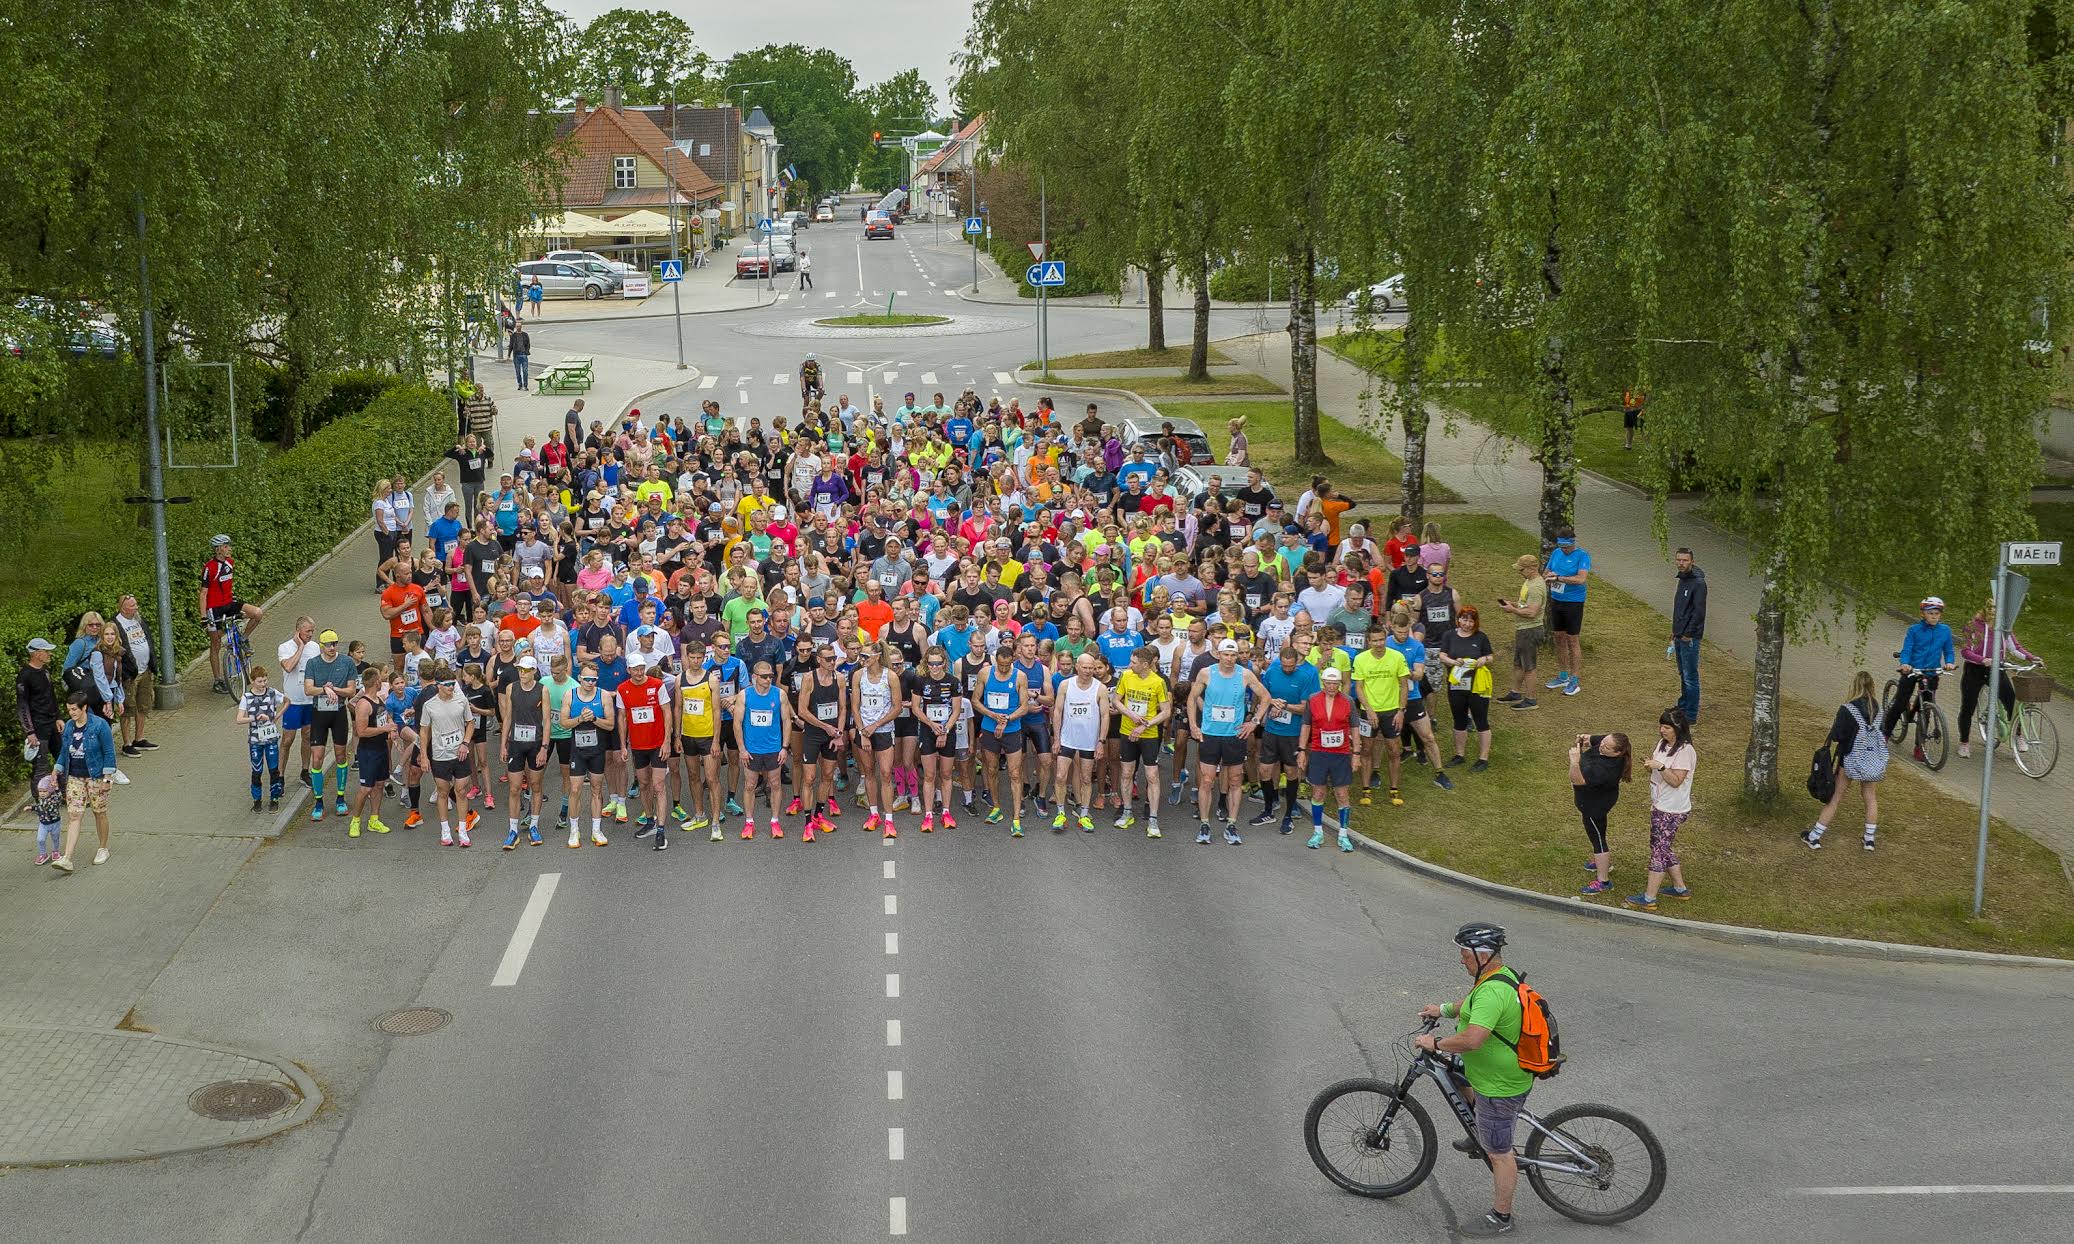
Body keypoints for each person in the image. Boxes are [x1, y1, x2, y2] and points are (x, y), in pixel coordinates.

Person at [1413, 922, 1534, 1238]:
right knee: (1454, 1070)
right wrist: (1440, 1009)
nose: (1461, 959)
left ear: (1483, 955)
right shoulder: (1495, 977)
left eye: (1465, 954)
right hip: (1493, 1074)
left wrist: (1435, 1044)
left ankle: (1502, 1217)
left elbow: (1473, 1038)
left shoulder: (1492, 991)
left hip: (1499, 1085)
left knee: (1499, 1153)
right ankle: (1480, 1127)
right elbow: (1470, 1008)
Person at [1190, 638, 1270, 845]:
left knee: (1235, 780)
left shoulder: (1245, 674)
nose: (1229, 659)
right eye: (1226, 654)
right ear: (1218, 654)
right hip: (1210, 734)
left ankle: (1231, 824)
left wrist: (1253, 722)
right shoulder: (1207, 672)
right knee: (1207, 780)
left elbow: (1266, 697)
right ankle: (1205, 824)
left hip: (1234, 735)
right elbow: (1192, 698)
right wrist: (1193, 726)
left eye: (1233, 655)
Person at [1804, 671, 1886, 852]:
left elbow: (1838, 735)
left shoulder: (1848, 709)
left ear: (1854, 686)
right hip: (1871, 761)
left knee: (1836, 797)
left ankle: (1815, 836)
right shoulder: (1878, 709)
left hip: (1849, 760)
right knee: (1870, 798)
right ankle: (1869, 839)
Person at [1627, 709, 1695, 910]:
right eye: (1661, 726)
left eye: (1666, 727)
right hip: (1660, 804)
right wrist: (1651, 765)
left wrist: (1661, 767)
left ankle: (1649, 898)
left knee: (1658, 850)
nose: (1661, 730)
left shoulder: (1686, 751)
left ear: (1678, 728)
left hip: (1672, 809)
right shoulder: (1663, 744)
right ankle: (1680, 888)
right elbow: (1658, 768)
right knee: (1660, 845)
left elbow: (1676, 781)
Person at [1252, 644, 1319, 833]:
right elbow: (1264, 696)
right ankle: (1268, 809)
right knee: (1264, 769)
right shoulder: (1272, 673)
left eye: (1291, 666)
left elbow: (1306, 708)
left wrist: (1285, 706)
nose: (1287, 669)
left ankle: (1289, 814)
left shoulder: (1304, 677)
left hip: (1293, 733)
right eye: (1284, 666)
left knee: (1291, 772)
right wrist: (1271, 703)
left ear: (1296, 662)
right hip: (1272, 731)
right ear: (1279, 661)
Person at [1956, 599, 2033, 759]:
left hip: (1996, 669)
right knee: (1968, 707)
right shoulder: (1972, 626)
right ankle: (1964, 742)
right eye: (1991, 607)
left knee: (2011, 701)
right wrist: (1982, 660)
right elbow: (1965, 651)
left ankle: (2018, 736)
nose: (1994, 611)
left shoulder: (2004, 627)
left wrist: (2032, 658)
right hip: (1975, 670)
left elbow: (2015, 648)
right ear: (1984, 608)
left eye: (1998, 608)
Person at [1883, 596, 1957, 762]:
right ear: (1923, 613)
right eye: (1930, 613)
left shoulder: (1945, 631)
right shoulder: (1914, 630)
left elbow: (1949, 651)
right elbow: (1907, 649)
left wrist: (1950, 663)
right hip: (1912, 670)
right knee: (1900, 703)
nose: (1934, 616)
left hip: (1931, 672)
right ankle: (1885, 734)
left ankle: (1919, 747)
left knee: (1927, 709)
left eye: (1937, 613)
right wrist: (1905, 664)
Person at [50, 692, 118, 872]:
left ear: (84, 708)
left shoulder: (99, 725)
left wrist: (107, 778)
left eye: (74, 709)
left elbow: (109, 752)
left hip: (96, 775)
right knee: (74, 815)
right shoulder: (69, 727)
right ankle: (67, 858)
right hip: (75, 776)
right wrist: (57, 768)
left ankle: (103, 848)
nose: (71, 713)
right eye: (69, 709)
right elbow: (65, 752)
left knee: (99, 812)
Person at [1112, 644, 1169, 837]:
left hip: (1149, 735)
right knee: (1127, 772)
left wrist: (1145, 725)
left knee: (1152, 775)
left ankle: (1153, 819)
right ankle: (1127, 811)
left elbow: (1166, 711)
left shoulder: (1158, 682)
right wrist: (1130, 714)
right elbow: (1116, 700)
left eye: (1134, 662)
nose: (1130, 665)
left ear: (1145, 664)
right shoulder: (1127, 676)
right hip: (1127, 731)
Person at [303, 629, 359, 822]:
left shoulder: (347, 662)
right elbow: (308, 689)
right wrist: (325, 689)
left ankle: (340, 798)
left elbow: (351, 690)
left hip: (338, 714)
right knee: (317, 758)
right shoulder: (312, 664)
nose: (332, 648)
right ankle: (318, 802)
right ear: (321, 646)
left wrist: (335, 689)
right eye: (328, 644)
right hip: (319, 713)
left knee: (341, 754)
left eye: (335, 643)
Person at [1048, 652, 1108, 831]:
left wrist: (1101, 742)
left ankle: (1084, 815)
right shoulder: (1066, 685)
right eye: (1085, 667)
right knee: (1060, 776)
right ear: (1077, 667)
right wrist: (1057, 738)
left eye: (1091, 668)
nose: (1089, 671)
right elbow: (1057, 711)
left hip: (1089, 741)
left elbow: (1105, 715)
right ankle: (1060, 814)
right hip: (1068, 739)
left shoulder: (1100, 688)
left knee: (1086, 778)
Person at [1300, 666, 1358, 851]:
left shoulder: (1348, 701)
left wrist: (1356, 753)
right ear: (1323, 683)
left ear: (1340, 683)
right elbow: (1306, 726)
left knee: (1342, 794)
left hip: (1341, 754)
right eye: (1329, 683)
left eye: (1336, 683)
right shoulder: (1313, 700)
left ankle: (1343, 834)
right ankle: (1318, 832)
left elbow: (1355, 728)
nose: (1332, 687)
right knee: (1318, 793)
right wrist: (1301, 750)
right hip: (1318, 752)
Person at [200, 534, 265, 694]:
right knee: (215, 644)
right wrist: (203, 617)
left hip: (229, 604)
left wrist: (233, 598)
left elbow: (227, 584)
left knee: (257, 613)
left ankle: (243, 638)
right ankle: (218, 680)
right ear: (219, 549)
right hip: (214, 608)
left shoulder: (230, 563)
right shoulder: (209, 567)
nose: (230, 548)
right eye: (227, 546)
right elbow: (203, 594)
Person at [561, 663, 616, 848]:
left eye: (594, 679)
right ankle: (574, 830)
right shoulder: (570, 695)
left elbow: (610, 725)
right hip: (577, 749)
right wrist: (579, 719)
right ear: (580, 678)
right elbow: (563, 723)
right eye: (587, 679)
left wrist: (594, 719)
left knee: (596, 789)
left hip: (597, 749)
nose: (590, 683)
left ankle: (596, 829)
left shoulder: (604, 696)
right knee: (575, 789)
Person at [734, 660, 791, 840]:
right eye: (764, 676)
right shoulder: (744, 695)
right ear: (754, 677)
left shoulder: (780, 694)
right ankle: (749, 822)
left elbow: (787, 721)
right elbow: (737, 723)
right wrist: (742, 749)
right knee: (750, 785)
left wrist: (784, 748)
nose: (768, 680)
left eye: (771, 676)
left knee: (775, 784)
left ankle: (775, 821)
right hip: (752, 749)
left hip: (773, 748)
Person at [1571, 730, 1631, 895]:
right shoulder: (1608, 743)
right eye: (1603, 742)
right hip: (1594, 801)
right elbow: (1590, 739)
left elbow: (1577, 780)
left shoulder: (1605, 770)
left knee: (1597, 838)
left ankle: (1603, 881)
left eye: (1606, 747)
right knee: (1597, 835)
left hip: (1594, 806)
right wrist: (1583, 738)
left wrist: (1575, 762)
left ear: (1617, 753)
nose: (1601, 746)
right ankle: (1601, 862)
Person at [1436, 607, 1495, 770]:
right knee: (1459, 719)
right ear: (1458, 620)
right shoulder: (1449, 635)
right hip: (1456, 685)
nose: (1467, 624)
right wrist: (1453, 662)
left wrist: (1484, 659)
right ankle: (1459, 754)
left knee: (1481, 720)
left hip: (1477, 686)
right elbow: (1442, 655)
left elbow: (1490, 656)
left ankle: (1483, 758)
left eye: (1471, 621)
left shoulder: (1481, 637)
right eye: (1465, 620)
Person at [501, 655, 550, 849]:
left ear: (534, 672)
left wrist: (544, 748)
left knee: (535, 786)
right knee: (514, 788)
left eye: (527, 670)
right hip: (516, 744)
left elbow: (547, 721)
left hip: (536, 743)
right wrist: (503, 744)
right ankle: (513, 830)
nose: (523, 673)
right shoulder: (511, 688)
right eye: (520, 670)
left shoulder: (542, 690)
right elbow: (507, 717)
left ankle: (534, 826)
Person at [348, 665, 395, 839]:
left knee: (379, 785)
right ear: (376, 682)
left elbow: (385, 716)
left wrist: (391, 729)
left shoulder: (378, 700)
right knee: (366, 788)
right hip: (368, 751)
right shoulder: (364, 704)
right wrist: (384, 729)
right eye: (381, 679)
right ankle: (355, 820)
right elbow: (362, 731)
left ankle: (374, 820)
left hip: (381, 748)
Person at [1542, 526, 1590, 696]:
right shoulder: (1556, 553)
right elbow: (1546, 572)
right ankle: (1563, 675)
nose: (1565, 550)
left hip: (1574, 603)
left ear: (1572, 543)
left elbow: (1581, 578)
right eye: (1562, 547)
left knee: (1572, 640)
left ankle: (1574, 679)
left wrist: (1559, 578)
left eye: (1567, 547)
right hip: (1557, 601)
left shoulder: (1582, 555)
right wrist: (1548, 577)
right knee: (1559, 637)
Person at [1494, 555, 1544, 710]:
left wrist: (1512, 610)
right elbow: (1525, 605)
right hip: (1523, 629)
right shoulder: (1529, 582)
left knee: (1529, 666)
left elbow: (1532, 612)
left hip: (1530, 630)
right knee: (1519, 663)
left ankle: (1531, 699)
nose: (1520, 572)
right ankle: (1515, 692)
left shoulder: (1536, 587)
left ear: (1531, 568)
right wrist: (1514, 604)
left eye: (1522, 569)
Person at [111, 594, 159, 755]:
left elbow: (148, 639)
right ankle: (127, 743)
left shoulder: (138, 619)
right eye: (132, 606)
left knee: (143, 705)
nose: (136, 608)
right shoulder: (115, 624)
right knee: (128, 708)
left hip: (145, 669)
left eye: (136, 604)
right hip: (129, 674)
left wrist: (152, 664)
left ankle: (139, 738)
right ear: (123, 608)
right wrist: (124, 672)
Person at [237, 666, 287, 813]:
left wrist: (276, 717)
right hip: (255, 740)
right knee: (257, 771)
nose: (263, 684)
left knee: (274, 770)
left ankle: (274, 799)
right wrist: (254, 718)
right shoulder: (246, 697)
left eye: (265, 680)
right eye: (259, 681)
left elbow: (287, 701)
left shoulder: (272, 693)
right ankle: (257, 800)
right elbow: (239, 719)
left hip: (271, 738)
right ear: (252, 681)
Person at [17, 637, 63, 780]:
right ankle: (39, 799)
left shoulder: (45, 671)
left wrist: (58, 717)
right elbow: (22, 706)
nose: (50, 654)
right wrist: (30, 732)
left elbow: (51, 695)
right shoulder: (25, 675)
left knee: (62, 760)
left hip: (52, 723)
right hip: (38, 727)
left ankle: (68, 795)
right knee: (40, 767)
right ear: (37, 654)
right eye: (46, 651)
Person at [1670, 548, 1706, 723]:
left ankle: (1690, 714)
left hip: (1689, 637)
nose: (1681, 563)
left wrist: (1688, 633)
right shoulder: (1682, 580)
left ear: (1692, 561)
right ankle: (1683, 705)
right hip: (1679, 633)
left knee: (1690, 675)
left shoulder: (1698, 583)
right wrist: (1675, 630)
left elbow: (1699, 612)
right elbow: (1680, 609)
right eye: (1678, 560)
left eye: (1685, 560)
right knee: (1683, 673)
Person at [31, 772, 63, 868]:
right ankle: (43, 854)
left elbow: (59, 798)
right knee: (40, 839)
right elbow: (40, 808)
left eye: (44, 791)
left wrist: (56, 788)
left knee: (55, 838)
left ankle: (55, 852)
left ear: (50, 791)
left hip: (55, 823)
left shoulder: (54, 799)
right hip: (43, 824)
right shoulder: (40, 800)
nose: (42, 794)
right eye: (40, 791)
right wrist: (32, 808)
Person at [509, 321, 532, 390]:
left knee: (525, 371)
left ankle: (525, 385)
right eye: (517, 326)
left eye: (519, 326)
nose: (518, 327)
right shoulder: (513, 335)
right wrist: (508, 355)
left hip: (523, 354)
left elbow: (528, 344)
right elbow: (511, 345)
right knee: (518, 371)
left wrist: (526, 351)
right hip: (516, 355)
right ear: (515, 327)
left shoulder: (525, 334)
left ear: (521, 327)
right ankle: (520, 384)